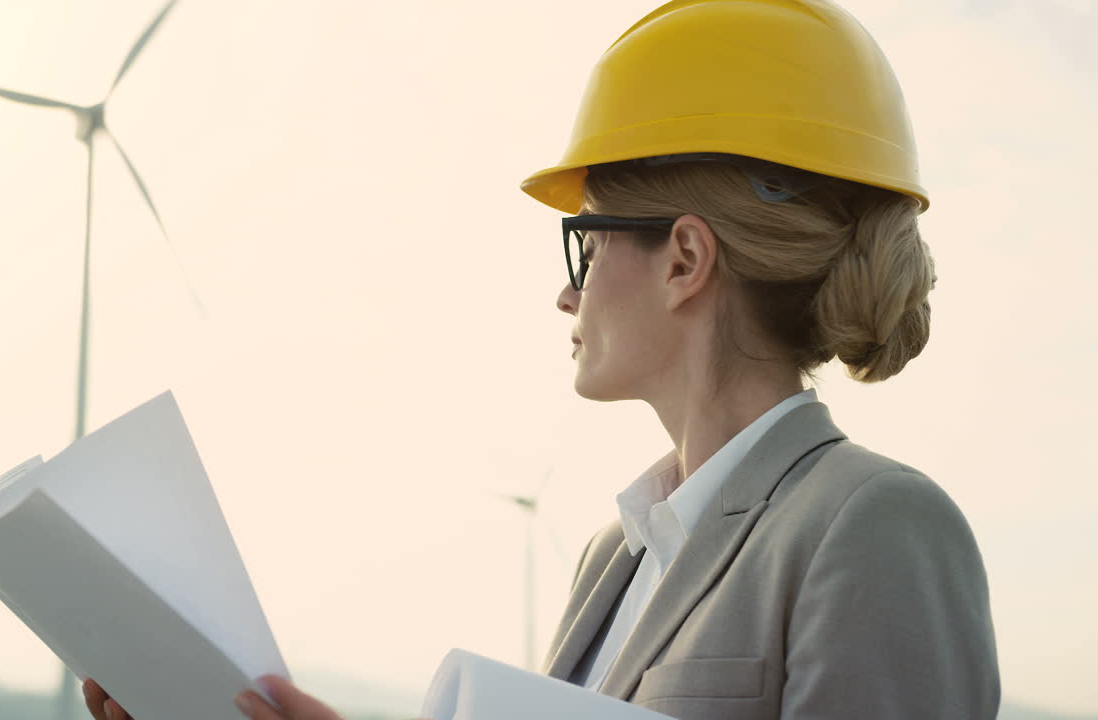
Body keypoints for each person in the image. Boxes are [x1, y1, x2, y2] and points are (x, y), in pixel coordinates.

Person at [83, 0, 999, 718]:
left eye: (586, 245)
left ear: (685, 260)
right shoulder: (615, 555)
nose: (569, 293)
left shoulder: (875, 524)